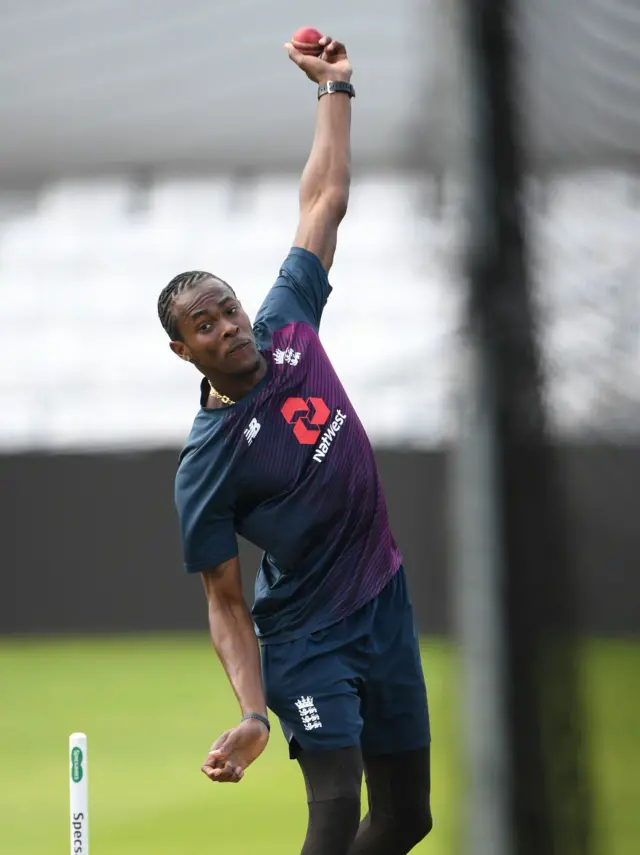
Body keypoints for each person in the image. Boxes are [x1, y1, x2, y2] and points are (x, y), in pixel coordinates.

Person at [157, 33, 432, 855]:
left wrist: (336, 90)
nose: (228, 326)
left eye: (228, 308)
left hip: (384, 595)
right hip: (309, 637)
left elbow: (323, 201)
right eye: (204, 325)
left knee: (407, 816)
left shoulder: (287, 325)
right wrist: (250, 710)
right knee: (337, 809)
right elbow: (225, 602)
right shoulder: (207, 463)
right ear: (183, 351)